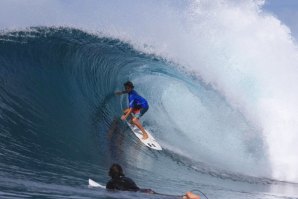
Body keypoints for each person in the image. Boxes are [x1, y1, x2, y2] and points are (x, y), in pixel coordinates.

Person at [106, 163, 201, 199]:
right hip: (145, 191)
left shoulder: (110, 183)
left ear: (110, 173)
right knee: (164, 197)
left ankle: (184, 197)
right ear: (121, 171)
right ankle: (184, 197)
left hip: (139, 195)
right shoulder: (128, 179)